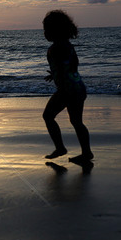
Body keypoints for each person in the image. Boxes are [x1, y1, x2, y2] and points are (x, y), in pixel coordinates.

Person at [42, 10, 93, 164]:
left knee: (48, 116)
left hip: (67, 90)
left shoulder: (56, 48)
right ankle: (87, 153)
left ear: (54, 30)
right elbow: (73, 64)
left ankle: (60, 148)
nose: (44, 32)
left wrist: (59, 76)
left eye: (46, 29)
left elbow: (63, 65)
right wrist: (55, 74)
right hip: (78, 87)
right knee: (77, 121)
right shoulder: (68, 45)